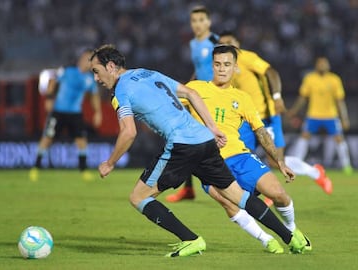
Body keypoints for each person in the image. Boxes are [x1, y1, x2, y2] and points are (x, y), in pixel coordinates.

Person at [90, 44, 307, 257]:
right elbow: (191, 93)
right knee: (238, 196)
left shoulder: (120, 91)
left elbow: (128, 132)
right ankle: (291, 238)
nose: (96, 79)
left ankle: (191, 239)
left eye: (96, 72)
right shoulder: (147, 73)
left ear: (111, 66)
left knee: (139, 197)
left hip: (181, 145)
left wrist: (110, 163)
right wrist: (212, 128)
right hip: (205, 140)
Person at [182, 44, 310, 254]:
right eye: (217, 64)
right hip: (209, 164)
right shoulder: (195, 88)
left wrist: (279, 161)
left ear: (235, 68)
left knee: (279, 194)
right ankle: (266, 240)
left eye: (226, 65)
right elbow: (168, 105)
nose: (222, 69)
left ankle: (292, 229)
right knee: (228, 204)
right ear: (212, 66)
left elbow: (260, 131)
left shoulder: (242, 98)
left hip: (240, 157)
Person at [218, 31, 333, 199]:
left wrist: (277, 97)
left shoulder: (247, 58)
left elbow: (271, 73)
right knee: (240, 154)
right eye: (222, 43)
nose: (226, 45)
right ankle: (256, 192)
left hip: (266, 116)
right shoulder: (227, 67)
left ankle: (315, 172)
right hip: (245, 119)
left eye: (229, 41)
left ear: (237, 43)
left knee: (275, 160)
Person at [166, 5, 219, 202]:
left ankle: (253, 188)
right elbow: (199, 69)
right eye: (194, 21)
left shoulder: (215, 41)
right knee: (186, 138)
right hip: (198, 95)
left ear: (209, 22)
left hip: (214, 96)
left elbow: (228, 65)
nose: (197, 24)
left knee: (224, 142)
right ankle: (188, 188)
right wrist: (188, 89)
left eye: (201, 20)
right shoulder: (193, 44)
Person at [29, 49, 102, 181]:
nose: (91, 63)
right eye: (89, 60)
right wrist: (50, 98)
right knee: (47, 138)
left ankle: (83, 170)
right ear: (82, 60)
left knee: (81, 141)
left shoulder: (89, 78)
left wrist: (98, 112)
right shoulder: (68, 71)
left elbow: (94, 95)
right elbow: (53, 81)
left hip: (75, 113)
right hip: (58, 111)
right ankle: (36, 167)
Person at [288, 57, 353, 175]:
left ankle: (346, 166)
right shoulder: (310, 78)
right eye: (320, 63)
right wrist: (294, 110)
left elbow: (340, 101)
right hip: (313, 115)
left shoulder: (334, 79)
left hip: (331, 115)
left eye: (324, 63)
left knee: (339, 139)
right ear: (316, 65)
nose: (322, 65)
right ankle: (297, 165)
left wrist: (344, 118)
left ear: (328, 65)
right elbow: (303, 97)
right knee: (304, 137)